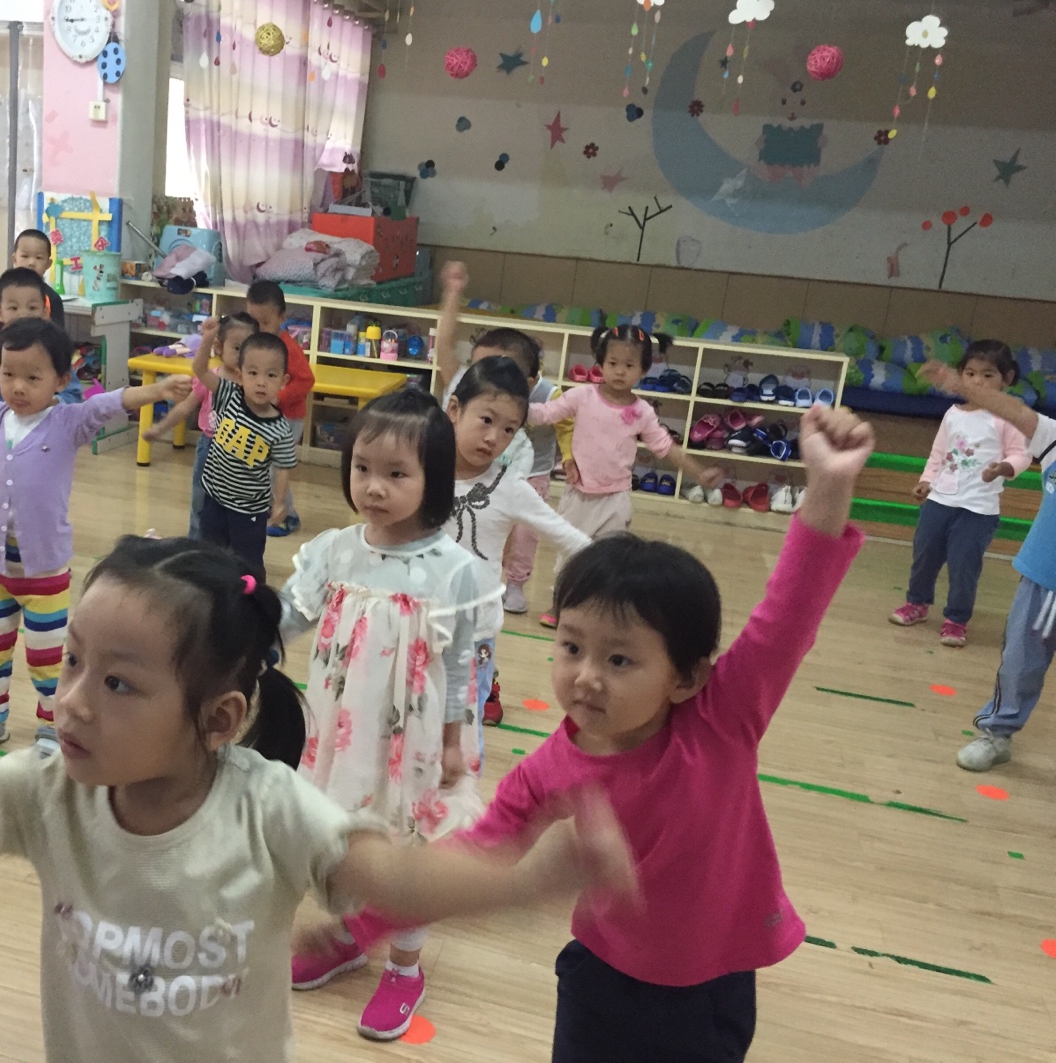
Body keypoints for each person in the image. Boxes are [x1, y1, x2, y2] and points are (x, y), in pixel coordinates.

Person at [0, 537, 639, 1063]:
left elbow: (396, 878)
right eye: (73, 664)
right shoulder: (51, 793)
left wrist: (525, 881)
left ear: (218, 718)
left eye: (118, 683)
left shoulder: (269, 810)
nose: (69, 701)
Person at [314, 403, 875, 1062]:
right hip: (600, 979)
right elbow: (469, 857)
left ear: (687, 677)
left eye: (619, 660)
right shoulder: (549, 769)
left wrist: (829, 483)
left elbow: (789, 614)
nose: (586, 677)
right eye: (572, 647)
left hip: (712, 987)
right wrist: (358, 926)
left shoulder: (723, 718)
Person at [281, 388, 498, 1041]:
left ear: (435, 478)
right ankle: (351, 933)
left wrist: (456, 741)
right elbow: (288, 618)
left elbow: (460, 667)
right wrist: (233, 616)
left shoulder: (454, 572)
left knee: (405, 847)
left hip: (414, 742)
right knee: (344, 837)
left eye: (397, 473)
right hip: (337, 734)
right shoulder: (333, 551)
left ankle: (405, 966)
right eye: (362, 469)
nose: (374, 487)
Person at [0, 320, 191, 757]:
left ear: (61, 380)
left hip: (44, 572)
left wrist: (158, 390)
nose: (18, 387)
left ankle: (50, 726)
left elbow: (110, 402)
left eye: (32, 377)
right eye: (8, 374)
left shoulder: (67, 422)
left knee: (46, 659)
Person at [527, 323, 724, 627]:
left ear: (644, 369)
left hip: (616, 499)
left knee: (610, 560)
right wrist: (513, 406)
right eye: (613, 363)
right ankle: (562, 604)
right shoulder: (582, 396)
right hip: (579, 494)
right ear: (600, 362)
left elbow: (664, 446)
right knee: (569, 553)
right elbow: (545, 414)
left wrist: (698, 473)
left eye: (629, 365)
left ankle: (599, 609)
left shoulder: (642, 411)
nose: (620, 371)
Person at [921, 354, 1056, 772]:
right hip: (1044, 577)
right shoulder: (1053, 438)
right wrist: (957, 384)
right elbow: (1013, 410)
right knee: (1020, 664)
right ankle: (997, 734)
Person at [445, 357, 591, 727]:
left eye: (509, 429)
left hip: (476, 629)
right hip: (417, 622)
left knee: (465, 729)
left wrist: (632, 570)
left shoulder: (510, 487)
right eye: (486, 420)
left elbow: (569, 538)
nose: (494, 437)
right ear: (454, 410)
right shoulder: (421, 472)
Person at [433, 261, 573, 615]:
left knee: (522, 537)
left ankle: (514, 583)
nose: (492, 376)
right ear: (456, 408)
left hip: (511, 496)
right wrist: (453, 292)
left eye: (508, 428)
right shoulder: (460, 388)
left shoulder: (523, 435)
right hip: (434, 583)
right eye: (482, 367)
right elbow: (445, 345)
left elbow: (523, 510)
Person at [890, 340, 1029, 648]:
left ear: (1006, 378)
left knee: (964, 566)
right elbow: (939, 453)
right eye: (970, 373)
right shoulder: (953, 414)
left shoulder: (1008, 416)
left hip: (978, 510)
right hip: (939, 501)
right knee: (924, 555)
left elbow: (1021, 455)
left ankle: (956, 619)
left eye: (988, 375)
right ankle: (917, 603)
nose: (977, 381)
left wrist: (1004, 467)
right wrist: (927, 480)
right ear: (961, 375)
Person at [0, 267, 84, 580]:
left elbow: (73, 396)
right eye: (13, 307)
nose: (22, 314)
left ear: (45, 311)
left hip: (41, 452)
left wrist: (52, 405)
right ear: (0, 313)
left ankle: (44, 554)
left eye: (31, 307)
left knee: (37, 506)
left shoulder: (54, 354)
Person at [190, 328, 297, 580]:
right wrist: (207, 339)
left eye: (271, 375)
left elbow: (283, 467)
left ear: (283, 381)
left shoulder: (280, 429)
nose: (261, 382)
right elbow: (200, 370)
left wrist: (279, 502)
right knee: (210, 554)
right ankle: (211, 591)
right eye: (253, 373)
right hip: (214, 498)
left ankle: (251, 597)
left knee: (248, 563)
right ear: (240, 375)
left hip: (249, 511)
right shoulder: (228, 394)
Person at [142, 312, 258, 539]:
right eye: (237, 348)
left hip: (242, 453)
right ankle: (196, 543)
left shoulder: (254, 383)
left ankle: (230, 546)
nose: (242, 355)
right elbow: (185, 407)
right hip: (210, 449)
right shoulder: (210, 378)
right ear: (219, 347)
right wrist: (160, 428)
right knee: (201, 502)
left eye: (248, 349)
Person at [245, 281, 315, 537]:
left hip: (288, 419)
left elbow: (306, 380)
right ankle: (269, 510)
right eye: (253, 322)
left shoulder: (287, 348)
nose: (259, 329)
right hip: (266, 418)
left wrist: (277, 398)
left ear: (282, 318)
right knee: (262, 467)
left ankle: (287, 515)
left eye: (265, 322)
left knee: (276, 469)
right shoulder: (255, 347)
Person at [0, 229, 65, 346]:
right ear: (15, 259)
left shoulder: (53, 298)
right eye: (25, 256)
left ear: (48, 264)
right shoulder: (6, 291)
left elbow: (59, 340)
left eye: (39, 257)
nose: (31, 263)